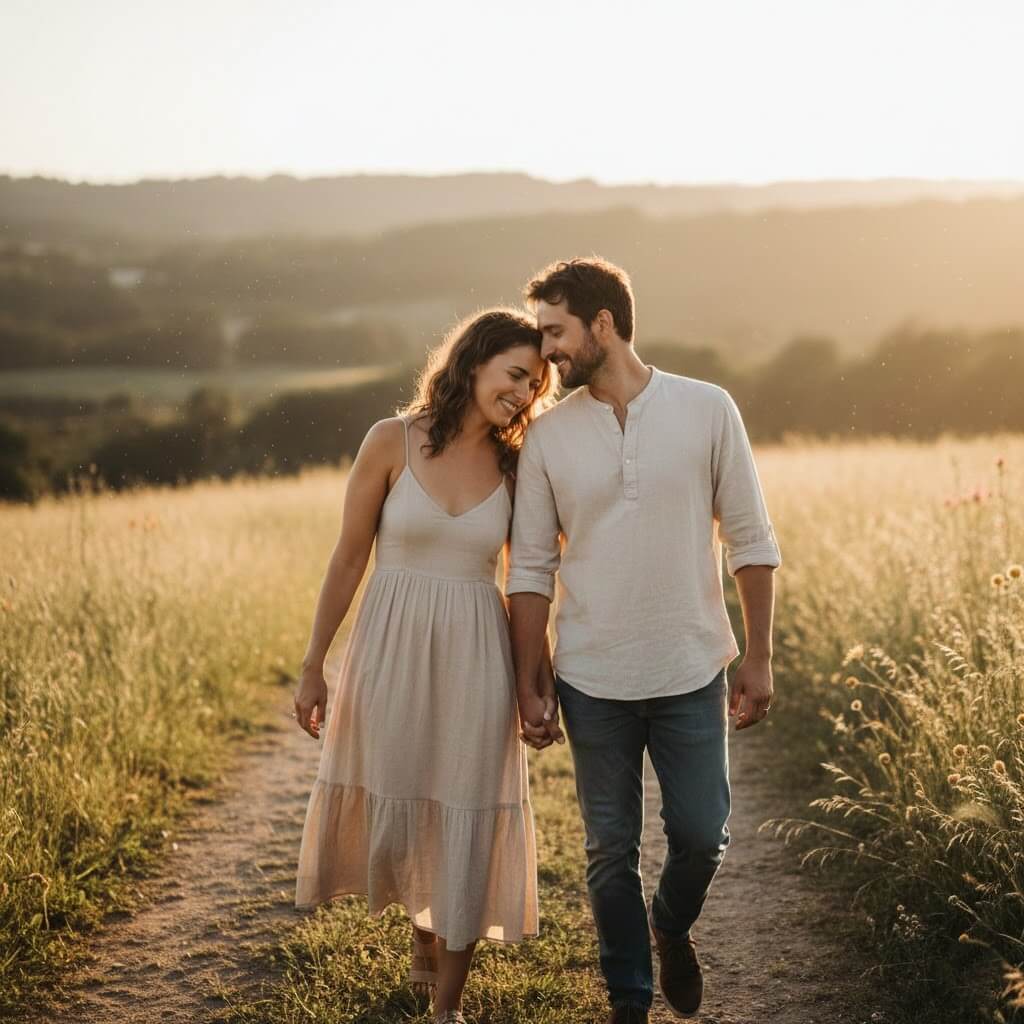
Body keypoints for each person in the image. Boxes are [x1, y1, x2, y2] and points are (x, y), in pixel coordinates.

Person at [507, 257, 782, 1024]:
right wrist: (531, 679)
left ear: (604, 323)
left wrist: (758, 654)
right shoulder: (549, 440)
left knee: (702, 833)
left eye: (557, 331)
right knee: (607, 854)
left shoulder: (707, 408)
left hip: (692, 664)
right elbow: (529, 569)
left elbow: (752, 539)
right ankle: (629, 998)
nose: (547, 351)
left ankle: (669, 924)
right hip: (593, 677)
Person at [293, 307, 556, 1024]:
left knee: (466, 800)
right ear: (472, 364)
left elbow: (528, 576)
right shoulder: (389, 441)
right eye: (514, 375)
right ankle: (421, 937)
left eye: (535, 383)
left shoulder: (518, 463)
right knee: (410, 791)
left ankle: (447, 1007)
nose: (524, 393)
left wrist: (537, 680)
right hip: (391, 643)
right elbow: (349, 556)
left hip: (477, 649)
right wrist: (314, 663)